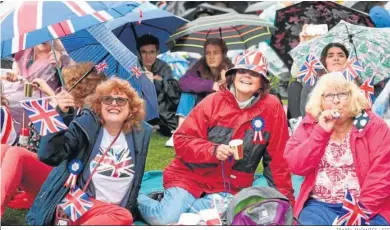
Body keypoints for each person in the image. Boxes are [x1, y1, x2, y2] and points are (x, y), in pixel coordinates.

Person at [137, 50, 295, 225]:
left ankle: (181, 205)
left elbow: (278, 160)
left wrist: (286, 203)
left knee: (211, 221)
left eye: (254, 74)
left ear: (262, 83)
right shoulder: (212, 101)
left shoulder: (272, 107)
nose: (247, 77)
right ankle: (138, 201)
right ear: (233, 76)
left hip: (231, 186)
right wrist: (213, 150)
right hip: (190, 176)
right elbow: (181, 140)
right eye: (243, 71)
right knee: (164, 219)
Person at [26, 78, 152, 226]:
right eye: (107, 99)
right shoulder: (86, 124)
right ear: (99, 105)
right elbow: (48, 155)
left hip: (112, 213)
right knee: (123, 215)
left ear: (131, 108)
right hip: (82, 205)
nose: (114, 103)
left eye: (121, 100)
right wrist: (60, 113)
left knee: (123, 215)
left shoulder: (140, 133)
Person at [1, 62, 106, 217]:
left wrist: (59, 112)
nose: (64, 88)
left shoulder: (89, 117)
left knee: (17, 153)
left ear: (79, 89)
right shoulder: (77, 111)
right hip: (57, 171)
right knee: (3, 149)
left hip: (66, 182)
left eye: (69, 84)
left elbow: (49, 154)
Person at [284, 72, 390, 226]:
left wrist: (359, 211)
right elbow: (296, 166)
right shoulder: (311, 124)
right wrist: (321, 132)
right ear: (320, 101)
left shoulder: (372, 125)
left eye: (342, 94)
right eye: (328, 96)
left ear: (353, 97)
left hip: (367, 206)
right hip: (319, 205)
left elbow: (383, 174)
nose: (336, 101)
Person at [165, 38, 233, 147]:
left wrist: (226, 81)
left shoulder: (230, 69)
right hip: (200, 108)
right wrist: (211, 85)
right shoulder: (200, 66)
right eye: (208, 53)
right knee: (188, 93)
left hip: (221, 113)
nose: (211, 57)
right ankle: (179, 132)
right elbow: (183, 82)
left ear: (223, 54)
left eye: (216, 53)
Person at [2, 39, 75, 132]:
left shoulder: (61, 57)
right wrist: (14, 74)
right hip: (16, 91)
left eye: (48, 37)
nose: (44, 39)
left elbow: (72, 87)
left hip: (39, 105)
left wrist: (60, 66)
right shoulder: (25, 48)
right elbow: (16, 65)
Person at [137, 34, 180, 137]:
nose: (148, 56)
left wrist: (157, 82)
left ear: (157, 52)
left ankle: (158, 124)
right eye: (144, 52)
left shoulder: (164, 67)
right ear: (138, 53)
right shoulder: (134, 67)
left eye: (152, 52)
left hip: (161, 110)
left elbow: (172, 94)